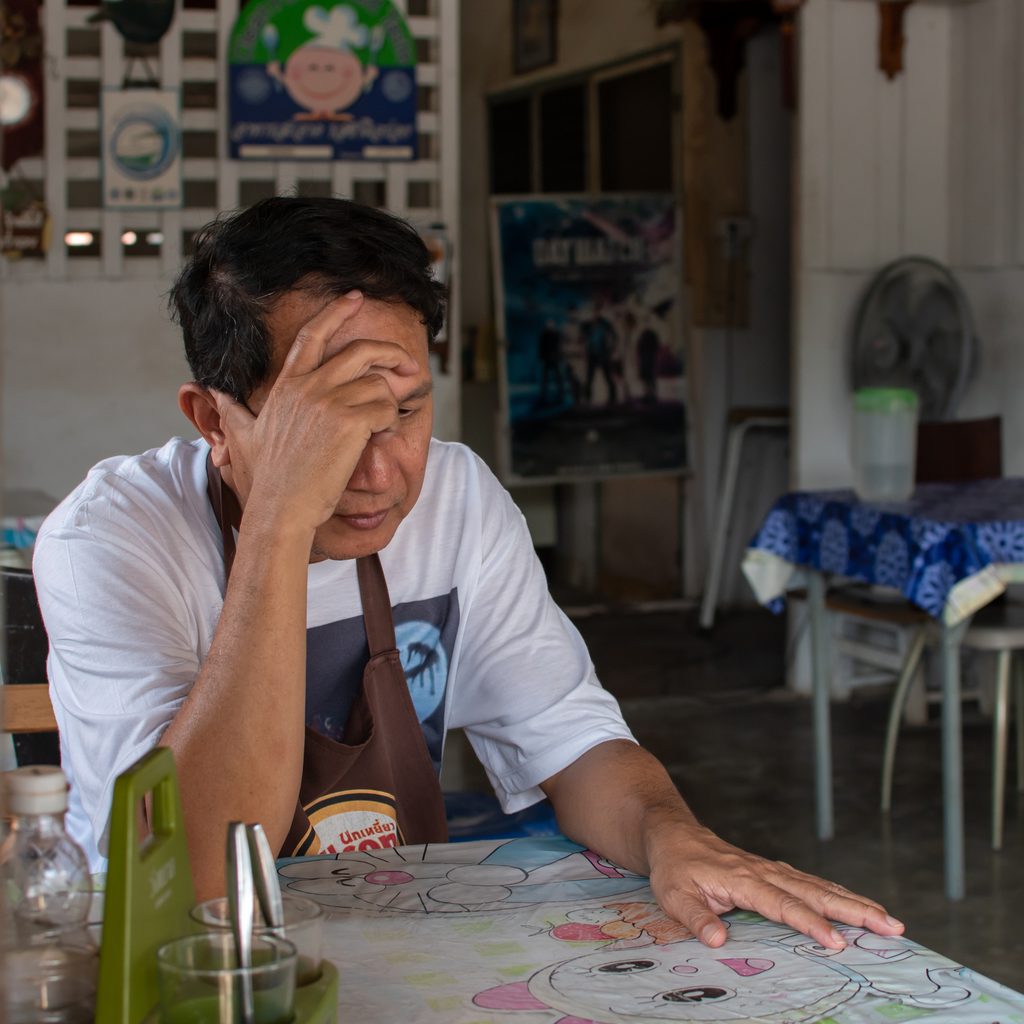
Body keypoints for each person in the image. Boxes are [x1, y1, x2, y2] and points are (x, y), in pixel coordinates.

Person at [33, 196, 903, 953]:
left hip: (386, 937)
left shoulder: (456, 498)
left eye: (404, 413)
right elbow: (192, 873)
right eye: (329, 427)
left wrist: (674, 835)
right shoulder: (109, 540)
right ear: (212, 421)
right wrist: (278, 527)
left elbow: (567, 736)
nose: (379, 475)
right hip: (177, 960)